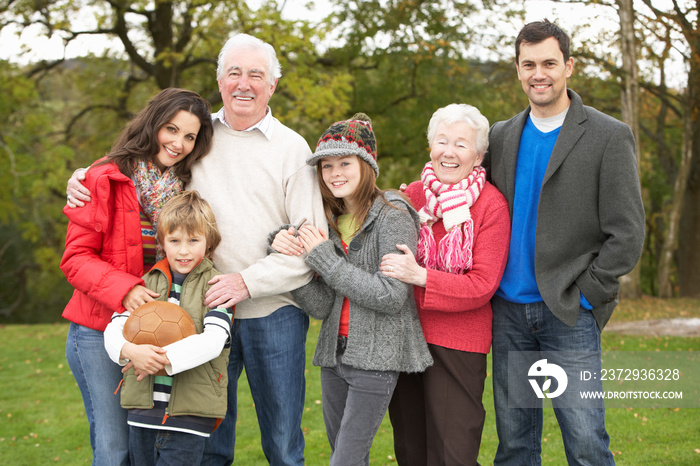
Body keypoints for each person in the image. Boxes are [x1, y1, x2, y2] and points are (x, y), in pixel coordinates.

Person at [67, 33, 325, 465]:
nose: (244, 83)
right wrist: (86, 175)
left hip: (272, 310)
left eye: (256, 75)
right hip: (195, 310)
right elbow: (137, 168)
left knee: (282, 441)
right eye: (234, 73)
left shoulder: (292, 148)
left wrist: (246, 282)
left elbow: (309, 245)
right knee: (204, 441)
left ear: (273, 85)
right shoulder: (201, 138)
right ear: (220, 80)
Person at [483, 19, 645, 465]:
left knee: (586, 443)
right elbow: (464, 190)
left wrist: (588, 295)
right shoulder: (500, 135)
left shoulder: (609, 136)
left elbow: (628, 232)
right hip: (508, 313)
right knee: (515, 445)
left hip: (569, 313)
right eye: (529, 63)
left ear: (569, 66)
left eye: (549, 63)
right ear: (517, 69)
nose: (540, 73)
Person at [60, 88, 214, 466]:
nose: (178, 143)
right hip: (98, 331)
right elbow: (76, 258)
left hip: (157, 333)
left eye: (190, 136)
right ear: (152, 124)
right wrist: (125, 289)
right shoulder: (103, 178)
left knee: (144, 448)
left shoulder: (188, 188)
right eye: (171, 129)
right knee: (114, 449)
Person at [270, 113, 433, 465]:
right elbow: (323, 305)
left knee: (344, 461)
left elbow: (391, 296)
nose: (334, 173)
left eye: (345, 162)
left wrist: (324, 259)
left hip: (376, 358)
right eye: (326, 166)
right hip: (333, 357)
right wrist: (292, 256)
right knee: (345, 458)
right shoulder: (329, 221)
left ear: (366, 165)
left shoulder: (392, 215)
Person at [379, 104, 511, 465]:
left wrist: (420, 275)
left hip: (458, 343)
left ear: (479, 155)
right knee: (410, 450)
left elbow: (483, 285)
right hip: (407, 336)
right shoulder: (414, 196)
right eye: (442, 141)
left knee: (453, 452)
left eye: (461, 144)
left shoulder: (491, 206)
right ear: (430, 147)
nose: (449, 152)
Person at [103, 190, 234, 465]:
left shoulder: (217, 286)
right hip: (142, 414)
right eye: (174, 240)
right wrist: (129, 350)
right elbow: (113, 329)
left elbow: (213, 341)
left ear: (208, 242)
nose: (183, 250)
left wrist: (159, 360)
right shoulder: (146, 283)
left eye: (193, 240)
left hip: (189, 418)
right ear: (162, 242)